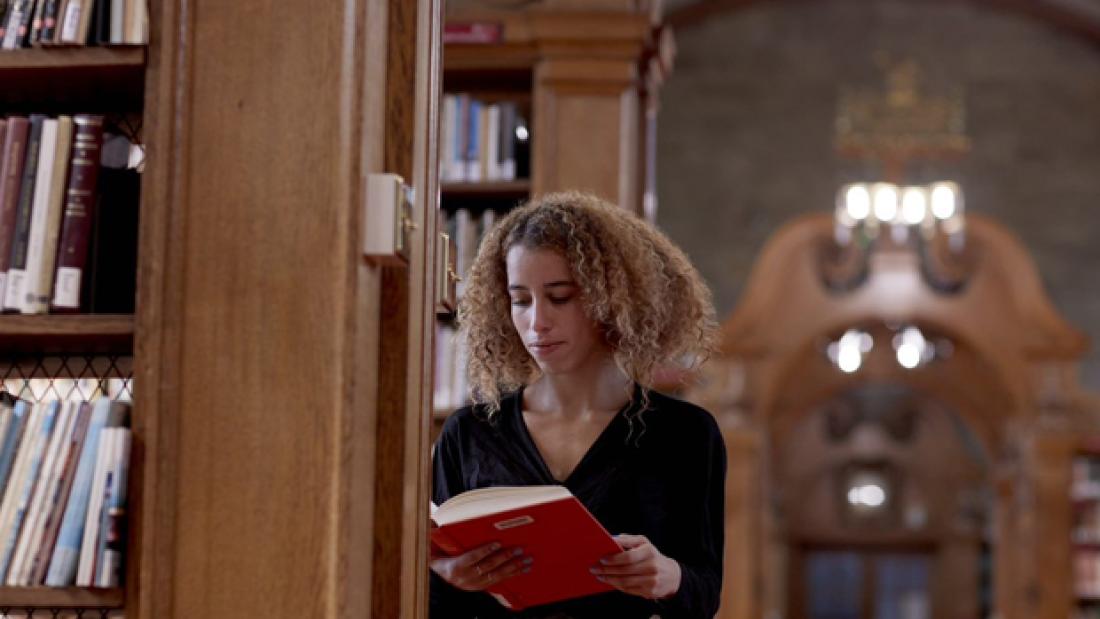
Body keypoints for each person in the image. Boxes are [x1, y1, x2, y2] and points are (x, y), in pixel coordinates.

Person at [431, 192, 726, 618]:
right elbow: (437, 606)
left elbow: (705, 593)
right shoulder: (471, 432)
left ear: (613, 300)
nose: (537, 323)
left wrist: (666, 576)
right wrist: (450, 575)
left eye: (560, 297)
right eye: (520, 300)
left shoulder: (685, 434)